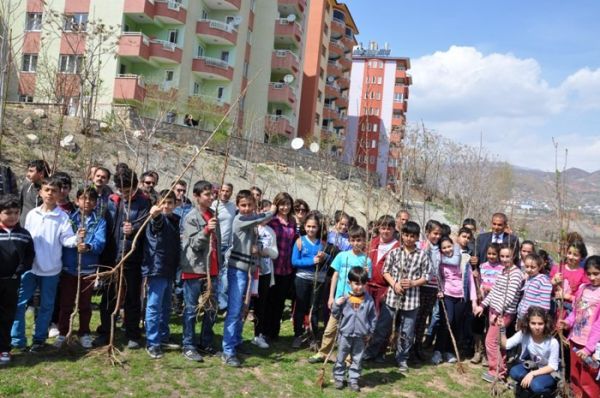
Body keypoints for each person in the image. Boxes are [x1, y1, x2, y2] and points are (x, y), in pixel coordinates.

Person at [11, 177, 80, 352]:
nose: (50, 193)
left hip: (51, 269)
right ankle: (17, 339)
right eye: (47, 190)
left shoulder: (62, 217)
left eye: (54, 191)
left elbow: (67, 240)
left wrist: (78, 238)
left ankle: (39, 339)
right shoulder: (32, 214)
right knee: (20, 303)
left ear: (59, 194)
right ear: (40, 192)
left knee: (46, 306)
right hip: (30, 267)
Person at [94, 168, 150, 349]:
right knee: (108, 296)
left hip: (132, 257)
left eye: (128, 191)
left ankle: (132, 332)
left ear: (135, 187)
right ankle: (105, 330)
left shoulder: (144, 202)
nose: (125, 195)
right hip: (111, 257)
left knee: (133, 296)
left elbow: (146, 225)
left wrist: (134, 229)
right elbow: (106, 226)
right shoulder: (112, 201)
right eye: (121, 191)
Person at [222, 190, 276, 367]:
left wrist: (257, 246)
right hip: (237, 270)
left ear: (254, 205)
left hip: (248, 271)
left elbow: (255, 244)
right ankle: (228, 351)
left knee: (242, 310)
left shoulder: (250, 224)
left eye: (249, 205)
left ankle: (236, 343)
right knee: (234, 310)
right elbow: (263, 218)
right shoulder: (240, 219)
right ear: (237, 206)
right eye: (243, 205)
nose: (246, 208)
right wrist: (272, 210)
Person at [308, 226, 372, 364]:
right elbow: (335, 276)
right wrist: (331, 297)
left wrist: (366, 273)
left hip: (355, 303)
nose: (356, 243)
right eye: (353, 240)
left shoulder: (366, 260)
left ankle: (349, 359)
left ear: (364, 241)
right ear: (349, 241)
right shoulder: (342, 256)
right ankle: (323, 353)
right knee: (330, 329)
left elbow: (366, 283)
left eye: (359, 240)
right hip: (340, 300)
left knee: (351, 333)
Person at [55, 187, 106, 349]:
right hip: (69, 268)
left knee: (85, 305)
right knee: (66, 304)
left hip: (88, 270)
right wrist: (76, 242)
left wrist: (89, 246)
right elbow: (64, 239)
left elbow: (101, 242)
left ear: (95, 203)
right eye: (83, 199)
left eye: (91, 199)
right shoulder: (69, 219)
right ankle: (63, 332)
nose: (87, 202)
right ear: (77, 201)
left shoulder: (99, 221)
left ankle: (84, 332)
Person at [180, 180, 222, 362]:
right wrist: (206, 230)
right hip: (194, 270)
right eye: (206, 194)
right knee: (191, 309)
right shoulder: (191, 217)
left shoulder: (214, 215)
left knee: (211, 309)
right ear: (197, 197)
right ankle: (188, 345)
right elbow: (195, 245)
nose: (211, 197)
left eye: (212, 194)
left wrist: (218, 265)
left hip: (212, 270)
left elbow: (217, 244)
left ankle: (206, 342)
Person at [474, 244, 523, 383]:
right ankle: (499, 370)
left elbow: (510, 297)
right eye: (502, 256)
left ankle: (497, 372)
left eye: (508, 256)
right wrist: (482, 305)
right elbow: (495, 291)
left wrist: (498, 313)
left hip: (503, 313)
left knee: (490, 341)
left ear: (513, 256)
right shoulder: (503, 271)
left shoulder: (515, 274)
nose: (504, 259)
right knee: (497, 343)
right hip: (494, 310)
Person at [143, 190, 181, 359]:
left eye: (170, 203)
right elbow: (157, 225)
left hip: (170, 269)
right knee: (154, 305)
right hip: (157, 267)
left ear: (175, 204)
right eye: (163, 202)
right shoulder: (156, 219)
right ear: (158, 204)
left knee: (166, 306)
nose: (166, 206)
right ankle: (152, 341)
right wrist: (156, 216)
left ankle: (163, 335)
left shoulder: (175, 221)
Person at [559, 255, 600, 398]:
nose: (592, 277)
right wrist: (568, 322)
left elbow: (599, 325)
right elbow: (576, 311)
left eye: (596, 273)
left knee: (588, 381)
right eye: (589, 274)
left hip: (591, 346)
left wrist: (589, 348)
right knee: (575, 375)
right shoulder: (583, 288)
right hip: (575, 339)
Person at [432, 236, 477, 365]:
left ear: (453, 245)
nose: (447, 250)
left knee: (457, 324)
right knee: (447, 322)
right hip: (447, 295)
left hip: (461, 296)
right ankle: (438, 350)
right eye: (444, 248)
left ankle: (449, 351)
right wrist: (439, 290)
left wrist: (473, 301)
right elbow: (437, 277)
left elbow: (470, 282)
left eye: (449, 246)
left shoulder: (463, 259)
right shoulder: (440, 261)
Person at [0, 195, 34, 364]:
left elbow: (29, 255)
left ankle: (4, 349)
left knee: (7, 315)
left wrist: (20, 270)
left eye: (16, 212)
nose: (13, 216)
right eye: (8, 213)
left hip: (12, 281)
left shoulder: (24, 235)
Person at [332, 266, 376, 392]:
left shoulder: (368, 300)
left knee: (357, 358)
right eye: (356, 284)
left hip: (361, 336)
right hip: (345, 334)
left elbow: (373, 317)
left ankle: (353, 379)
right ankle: (339, 377)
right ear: (349, 283)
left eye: (363, 284)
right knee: (341, 357)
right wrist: (336, 304)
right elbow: (335, 314)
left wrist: (370, 332)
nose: (359, 287)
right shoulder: (345, 299)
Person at [500, 307, 560, 397]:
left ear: (546, 323)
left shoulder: (552, 342)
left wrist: (532, 374)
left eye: (540, 324)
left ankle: (549, 392)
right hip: (534, 366)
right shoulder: (524, 334)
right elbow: (506, 345)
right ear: (528, 323)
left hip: (548, 371)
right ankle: (525, 389)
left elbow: (553, 366)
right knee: (514, 372)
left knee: (536, 386)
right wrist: (502, 329)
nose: (537, 327)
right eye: (533, 323)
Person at [291, 212, 328, 349]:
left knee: (315, 309)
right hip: (302, 278)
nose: (311, 229)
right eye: (308, 226)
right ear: (304, 226)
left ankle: (313, 336)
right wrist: (311, 261)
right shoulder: (300, 241)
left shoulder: (323, 243)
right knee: (301, 307)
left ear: (318, 228)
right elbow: (294, 261)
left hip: (318, 280)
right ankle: (297, 335)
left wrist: (325, 257)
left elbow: (328, 262)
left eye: (314, 227)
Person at [264, 192, 296, 342]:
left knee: (280, 301)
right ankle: (265, 331)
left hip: (286, 268)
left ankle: (274, 332)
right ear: (276, 204)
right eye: (282, 204)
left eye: (288, 204)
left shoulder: (292, 221)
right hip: (272, 266)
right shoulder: (272, 221)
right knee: (269, 300)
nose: (285, 207)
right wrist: (270, 211)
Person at [251, 199, 278, 349]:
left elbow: (275, 253)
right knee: (246, 303)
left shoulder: (271, 232)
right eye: (264, 212)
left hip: (265, 272)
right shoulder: (252, 227)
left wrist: (266, 251)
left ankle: (258, 334)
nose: (267, 216)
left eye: (270, 214)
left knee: (262, 305)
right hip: (251, 271)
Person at [414, 219, 443, 355]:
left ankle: (418, 346)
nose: (437, 236)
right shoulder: (419, 245)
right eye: (434, 233)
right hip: (420, 286)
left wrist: (440, 287)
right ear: (427, 233)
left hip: (432, 288)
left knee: (424, 317)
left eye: (439, 234)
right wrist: (424, 250)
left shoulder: (440, 248)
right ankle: (408, 346)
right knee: (415, 317)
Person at [471, 243, 502, 365]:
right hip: (481, 300)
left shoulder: (502, 268)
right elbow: (479, 282)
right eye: (489, 253)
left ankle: (486, 354)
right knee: (478, 324)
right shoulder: (482, 266)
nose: (491, 256)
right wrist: (477, 278)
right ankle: (477, 351)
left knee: (489, 327)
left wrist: (492, 289)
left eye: (494, 254)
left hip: (494, 302)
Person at [212, 183, 236, 311]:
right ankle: (211, 299)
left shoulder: (233, 207)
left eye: (228, 191)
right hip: (215, 244)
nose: (225, 193)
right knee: (214, 274)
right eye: (223, 190)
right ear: (219, 191)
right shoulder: (213, 206)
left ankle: (222, 303)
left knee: (224, 275)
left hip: (227, 245)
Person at [550, 240, 589, 311]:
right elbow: (545, 291)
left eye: (575, 255)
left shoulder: (584, 274)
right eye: (569, 253)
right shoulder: (557, 268)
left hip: (570, 311)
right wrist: (552, 283)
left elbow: (584, 302)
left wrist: (568, 297)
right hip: (553, 307)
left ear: (582, 257)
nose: (571, 257)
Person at [516, 254, 552, 321]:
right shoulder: (529, 278)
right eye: (527, 266)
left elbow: (545, 305)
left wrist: (539, 318)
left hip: (533, 319)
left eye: (533, 267)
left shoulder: (543, 281)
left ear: (540, 267)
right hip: (522, 317)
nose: (529, 269)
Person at [19, 159, 49, 225]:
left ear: (41, 173)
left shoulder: (50, 192)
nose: (28, 174)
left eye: (31, 171)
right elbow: (19, 206)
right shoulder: (26, 187)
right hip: (23, 229)